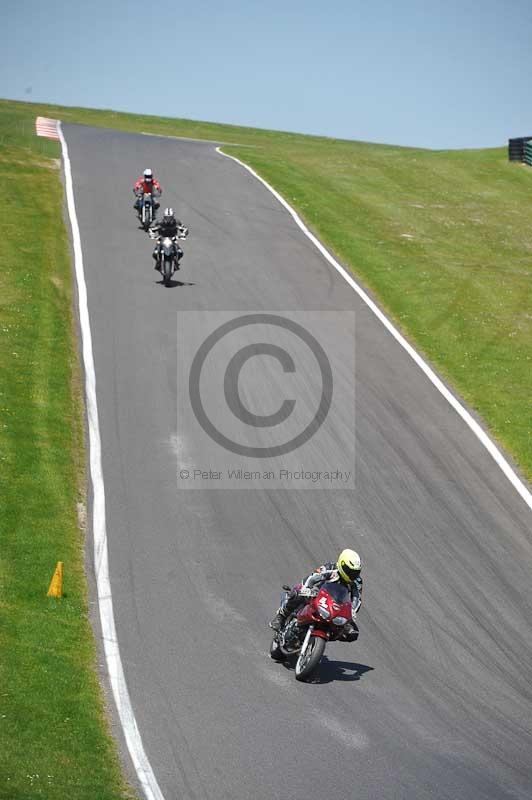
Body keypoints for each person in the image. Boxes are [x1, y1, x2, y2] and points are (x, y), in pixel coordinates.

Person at [269, 549, 363, 642]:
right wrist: (306, 588)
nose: (353, 575)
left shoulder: (356, 581)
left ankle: (325, 634)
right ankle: (281, 616)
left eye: (356, 572)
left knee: (353, 632)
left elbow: (357, 598)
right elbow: (313, 577)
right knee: (297, 593)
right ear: (342, 564)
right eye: (350, 571)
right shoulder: (330, 568)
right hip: (316, 594)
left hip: (335, 604)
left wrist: (352, 610)